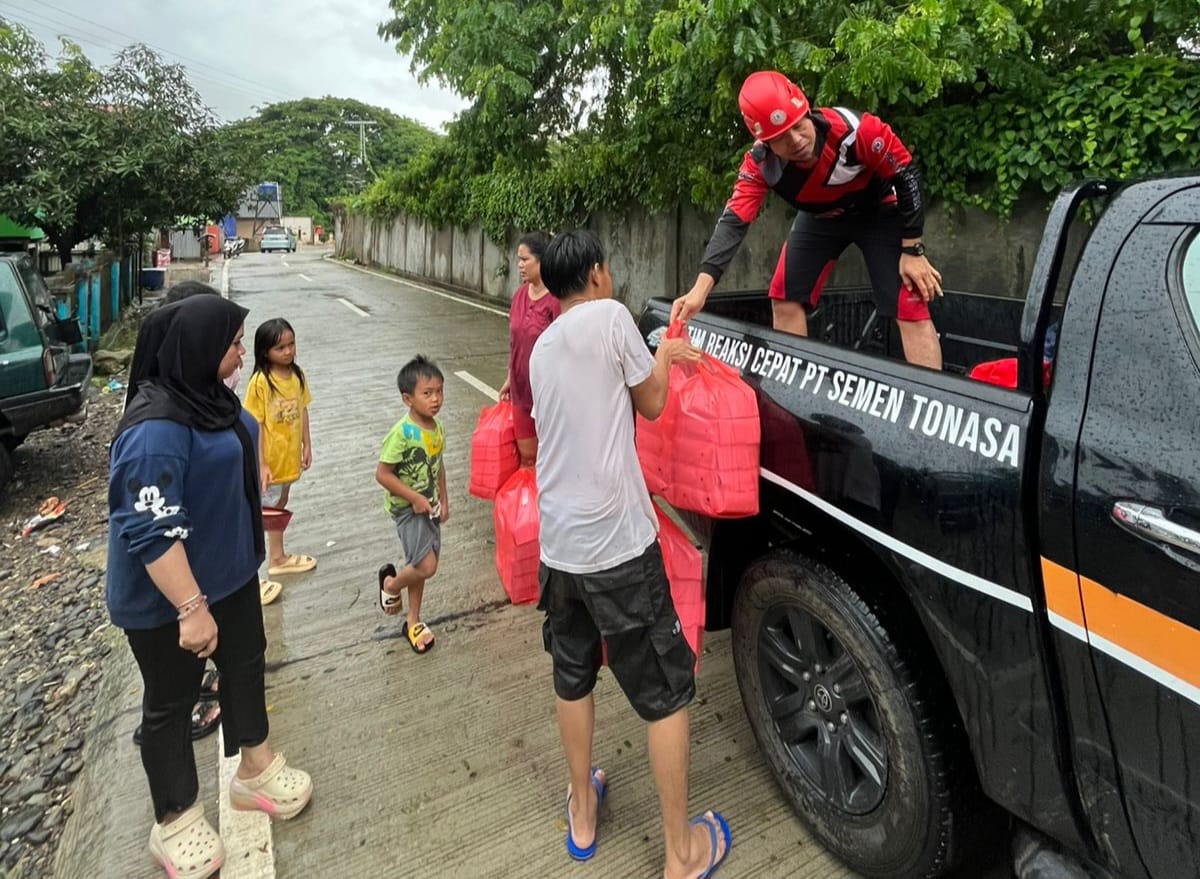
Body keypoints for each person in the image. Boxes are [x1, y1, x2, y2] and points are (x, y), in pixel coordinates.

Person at [529, 230, 731, 878]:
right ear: (594, 274)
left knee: (573, 671)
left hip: (558, 545)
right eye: (607, 268)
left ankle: (582, 812)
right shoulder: (611, 317)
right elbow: (652, 402)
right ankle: (680, 854)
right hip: (616, 544)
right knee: (667, 692)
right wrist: (667, 354)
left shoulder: (542, 345)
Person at [106, 295, 312, 879]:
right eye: (231, 342)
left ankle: (257, 769)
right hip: (168, 600)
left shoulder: (211, 399)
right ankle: (175, 819)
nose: (240, 351)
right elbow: (148, 529)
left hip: (228, 575)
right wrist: (190, 608)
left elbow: (237, 441)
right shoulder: (154, 429)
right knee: (171, 703)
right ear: (197, 348)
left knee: (247, 665)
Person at [672, 70, 944, 369]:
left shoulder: (856, 130)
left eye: (798, 126)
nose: (796, 140)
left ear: (806, 109)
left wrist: (913, 250)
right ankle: (795, 392)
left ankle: (939, 408)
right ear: (765, 143)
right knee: (784, 296)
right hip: (822, 218)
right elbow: (733, 223)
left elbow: (906, 176)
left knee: (909, 302)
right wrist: (699, 292)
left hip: (879, 211)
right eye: (780, 138)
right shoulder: (761, 165)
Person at [375, 355, 449, 654]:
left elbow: (438, 463)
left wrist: (443, 498)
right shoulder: (402, 434)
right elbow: (382, 474)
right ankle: (391, 586)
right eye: (427, 393)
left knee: (421, 563)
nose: (435, 399)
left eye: (439, 391)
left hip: (428, 506)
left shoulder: (437, 427)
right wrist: (414, 498)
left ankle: (413, 621)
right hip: (408, 509)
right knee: (426, 566)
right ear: (408, 398)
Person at [243, 318, 316, 584]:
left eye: (291, 345)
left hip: (288, 459)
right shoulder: (261, 382)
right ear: (265, 352)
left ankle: (276, 556)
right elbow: (256, 424)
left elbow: (303, 409)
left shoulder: (297, 376)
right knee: (268, 509)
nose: (288, 352)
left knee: (279, 504)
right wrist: (261, 463)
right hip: (270, 462)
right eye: (280, 348)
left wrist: (307, 443)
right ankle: (273, 559)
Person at [498, 231, 560, 466]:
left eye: (525, 260)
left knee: (548, 461)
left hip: (547, 395)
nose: (520, 265)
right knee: (527, 459)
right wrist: (509, 378)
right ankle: (525, 503)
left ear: (542, 260)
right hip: (521, 390)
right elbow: (515, 342)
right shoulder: (519, 295)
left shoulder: (557, 300)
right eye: (518, 260)